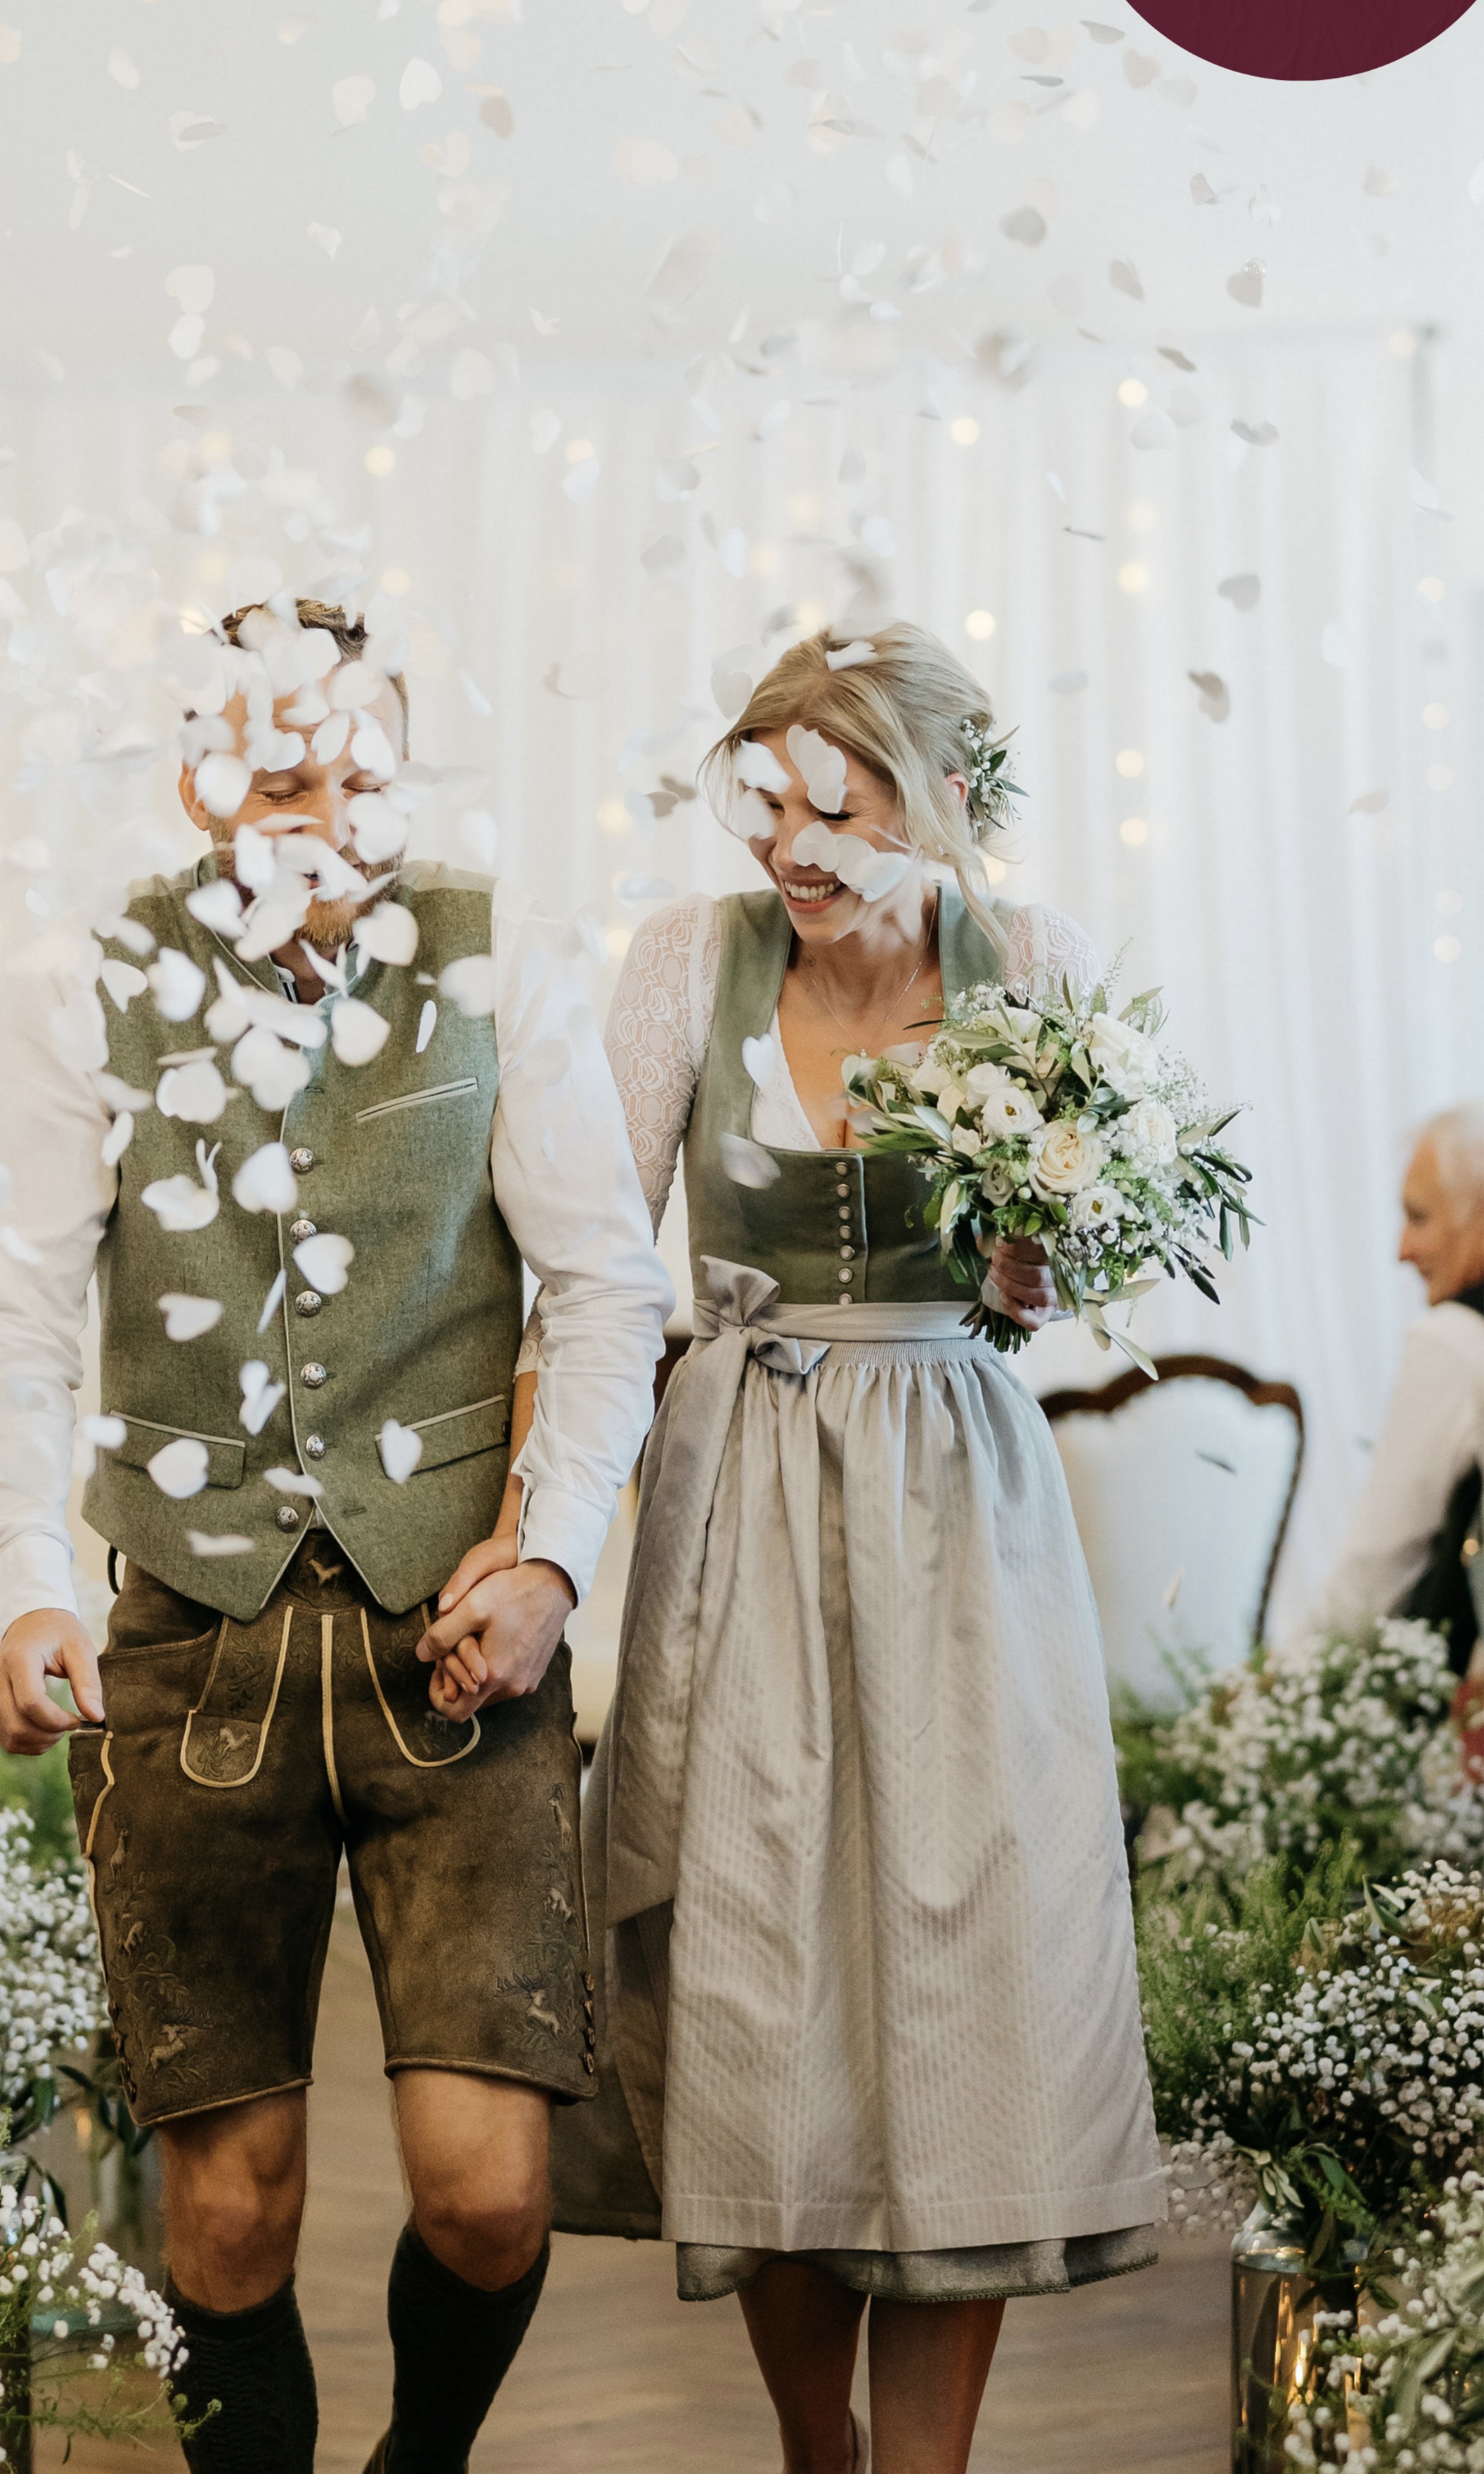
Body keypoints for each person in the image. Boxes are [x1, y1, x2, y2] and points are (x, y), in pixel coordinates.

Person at [0, 597, 672, 2474]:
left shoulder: (502, 958)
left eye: (365, 769)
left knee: (488, 2194)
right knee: (230, 2213)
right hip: (190, 1639)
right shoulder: (78, 982)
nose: (330, 809)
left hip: (461, 1630)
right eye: (285, 773)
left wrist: (548, 1563)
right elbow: (16, 1307)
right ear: (205, 780)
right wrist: (25, 1575)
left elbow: (604, 1292)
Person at [553, 622, 1163, 2474]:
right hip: (735, 1502)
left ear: (946, 805)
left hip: (959, 1509)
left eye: (845, 798)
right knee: (754, 1970)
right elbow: (583, 1266)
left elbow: (1063, 1287)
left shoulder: (1032, 965)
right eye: (768, 794)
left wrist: (1041, 1237)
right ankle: (817, 2448)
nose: (796, 844)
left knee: (961, 1952)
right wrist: (541, 1533)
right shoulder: (683, 963)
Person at [1310, 1104, 1484, 1665]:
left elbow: (1377, 1567)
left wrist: (1272, 1688)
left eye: (1418, 1217)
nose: (1401, 1249)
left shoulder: (1453, 1341)